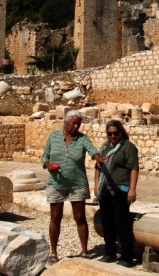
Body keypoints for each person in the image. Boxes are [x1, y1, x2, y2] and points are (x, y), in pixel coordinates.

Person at [41, 110, 100, 266]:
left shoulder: (82, 139)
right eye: (73, 123)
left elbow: (92, 149)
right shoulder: (54, 137)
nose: (76, 126)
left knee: (80, 217)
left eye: (78, 124)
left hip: (77, 183)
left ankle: (85, 251)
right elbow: (45, 155)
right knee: (55, 217)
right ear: (65, 122)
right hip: (56, 182)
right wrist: (47, 166)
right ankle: (53, 252)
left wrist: (97, 157)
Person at [93, 120, 139, 268]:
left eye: (115, 133)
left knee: (122, 223)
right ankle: (110, 253)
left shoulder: (128, 147)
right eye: (109, 134)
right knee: (107, 223)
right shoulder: (105, 147)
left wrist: (132, 189)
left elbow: (133, 168)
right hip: (105, 189)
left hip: (121, 189)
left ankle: (127, 257)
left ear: (121, 132)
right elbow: (98, 166)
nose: (112, 136)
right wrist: (95, 184)